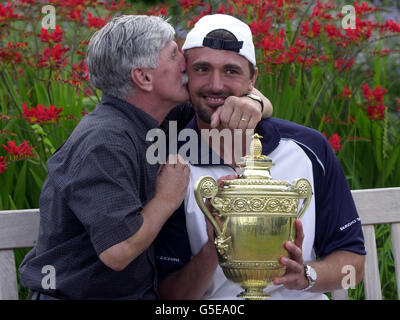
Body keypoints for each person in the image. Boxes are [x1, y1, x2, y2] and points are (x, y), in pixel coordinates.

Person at [18, 15, 272, 300]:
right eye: (174, 55)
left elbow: (231, 99)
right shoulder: (104, 141)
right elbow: (118, 251)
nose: (185, 64)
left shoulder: (156, 118)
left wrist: (251, 101)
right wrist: (166, 198)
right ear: (144, 77)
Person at [155, 14, 366, 300]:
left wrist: (307, 276)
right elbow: (171, 298)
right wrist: (214, 248)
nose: (215, 85)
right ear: (185, 75)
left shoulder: (308, 147)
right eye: (202, 69)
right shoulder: (171, 163)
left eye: (231, 71)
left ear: (253, 79)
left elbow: (353, 263)